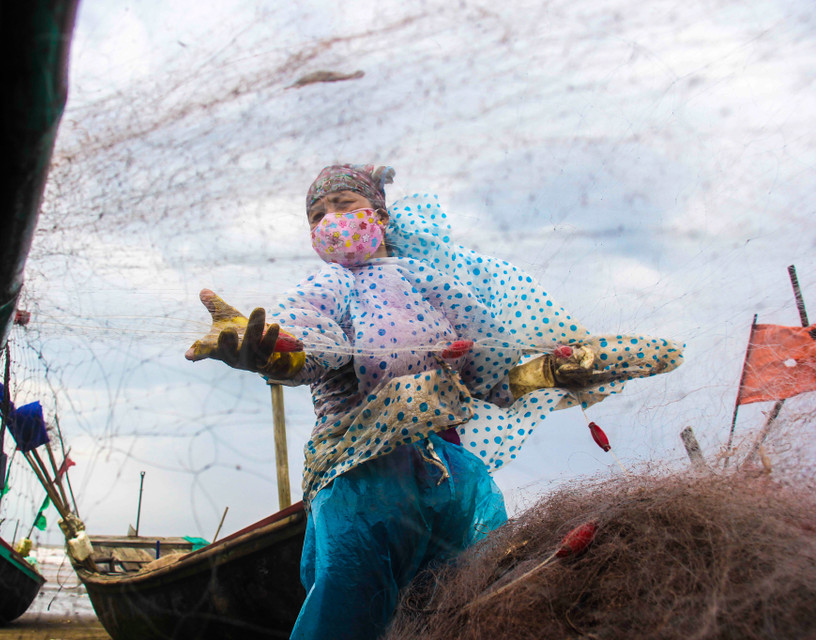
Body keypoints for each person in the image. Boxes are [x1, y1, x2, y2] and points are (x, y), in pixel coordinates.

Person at [186, 164, 683, 640]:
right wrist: (274, 356)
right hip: (360, 481)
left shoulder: (432, 281)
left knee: (481, 596)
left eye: (343, 204)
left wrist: (552, 371)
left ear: (379, 215)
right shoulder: (326, 285)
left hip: (453, 477)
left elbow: (492, 372)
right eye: (316, 216)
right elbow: (309, 342)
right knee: (346, 601)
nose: (329, 221)